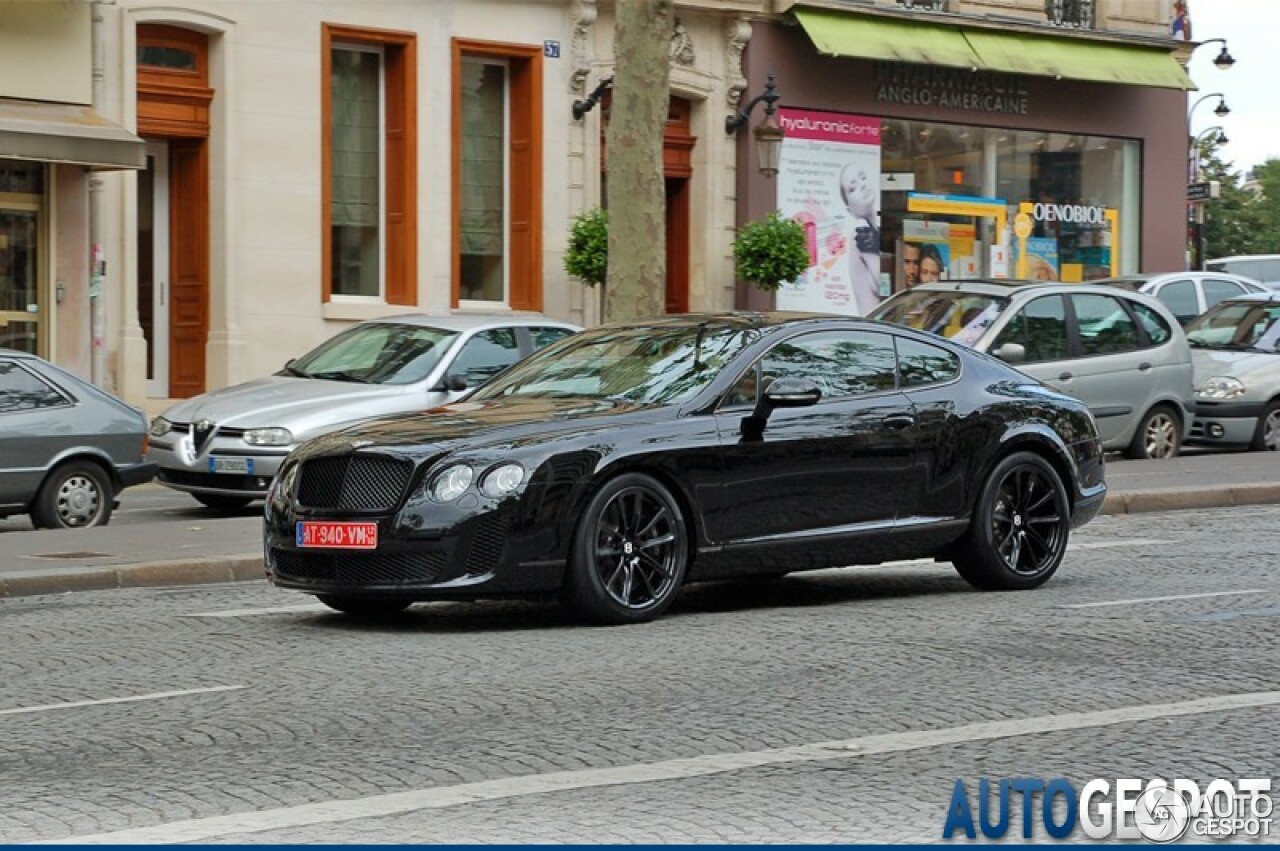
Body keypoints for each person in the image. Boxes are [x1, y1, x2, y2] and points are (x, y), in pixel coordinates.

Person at [837, 162, 881, 315]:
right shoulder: (862, 232)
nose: (862, 185)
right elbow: (880, 283)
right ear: (850, 210)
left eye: (863, 177)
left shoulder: (874, 229)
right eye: (852, 188)